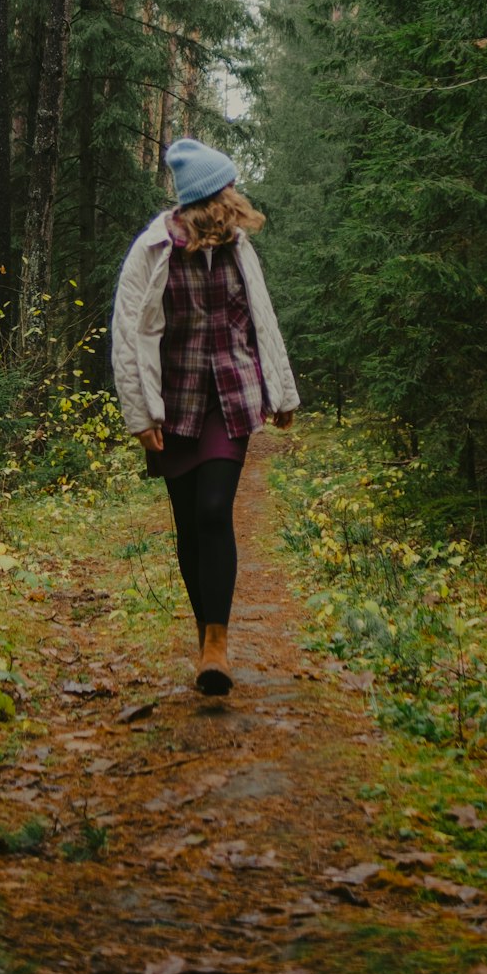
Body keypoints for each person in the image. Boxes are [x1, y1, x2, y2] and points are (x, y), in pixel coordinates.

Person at [111, 138, 299, 695]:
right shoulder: (153, 250)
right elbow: (128, 336)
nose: (236, 197)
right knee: (189, 523)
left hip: (231, 396)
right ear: (210, 198)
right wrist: (139, 415)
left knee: (215, 509)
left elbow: (262, 319)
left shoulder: (241, 248)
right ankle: (205, 643)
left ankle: (217, 642)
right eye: (228, 188)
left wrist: (281, 392)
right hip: (174, 404)